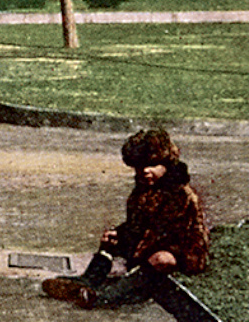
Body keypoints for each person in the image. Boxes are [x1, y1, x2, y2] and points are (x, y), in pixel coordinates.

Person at [42, 128, 209, 309]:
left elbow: (165, 233)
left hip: (181, 250)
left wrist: (136, 251)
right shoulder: (143, 190)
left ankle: (106, 296)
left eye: (152, 165)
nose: (145, 171)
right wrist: (118, 235)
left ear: (167, 163)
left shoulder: (180, 194)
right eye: (139, 166)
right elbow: (136, 223)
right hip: (148, 241)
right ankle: (88, 280)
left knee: (162, 260)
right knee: (111, 241)